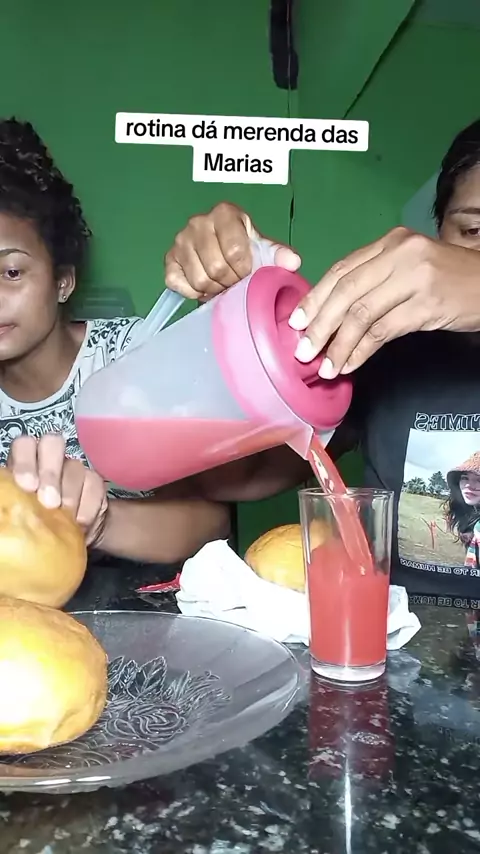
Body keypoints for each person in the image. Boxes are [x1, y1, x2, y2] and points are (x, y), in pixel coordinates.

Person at [165, 118, 480, 603]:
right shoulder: (387, 347)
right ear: (438, 234)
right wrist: (237, 321)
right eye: (474, 229)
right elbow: (238, 478)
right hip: (399, 639)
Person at [0, 118, 229, 564]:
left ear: (63, 281)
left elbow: (213, 521)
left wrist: (100, 523)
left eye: (11, 272)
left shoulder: (137, 354)